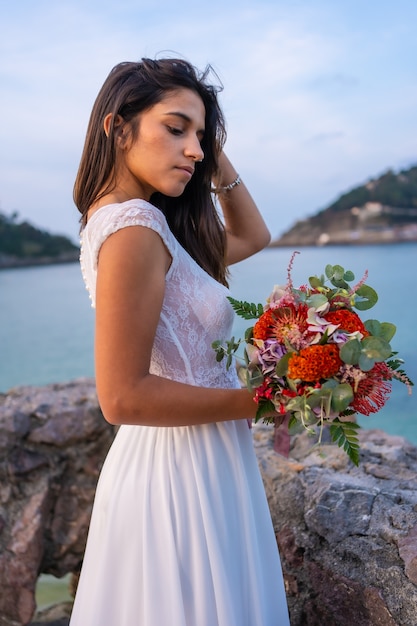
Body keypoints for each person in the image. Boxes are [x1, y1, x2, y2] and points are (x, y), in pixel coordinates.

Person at [69, 57, 290, 626]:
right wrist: (265, 400)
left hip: (201, 457)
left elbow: (252, 236)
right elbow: (121, 397)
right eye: (175, 128)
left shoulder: (149, 224)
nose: (193, 149)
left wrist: (209, 146)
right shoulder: (133, 230)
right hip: (178, 472)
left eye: (200, 134)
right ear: (118, 128)